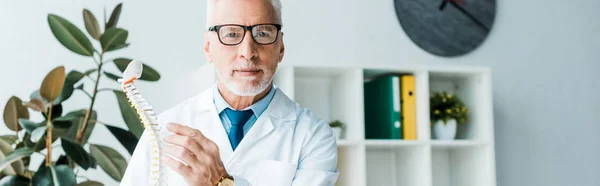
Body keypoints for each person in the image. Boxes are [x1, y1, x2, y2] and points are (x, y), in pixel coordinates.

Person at [119, 0, 339, 185]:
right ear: (208, 47)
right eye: (232, 34)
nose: (248, 52)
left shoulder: (312, 136)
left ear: (280, 47)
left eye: (262, 33)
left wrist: (221, 181)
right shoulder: (164, 129)